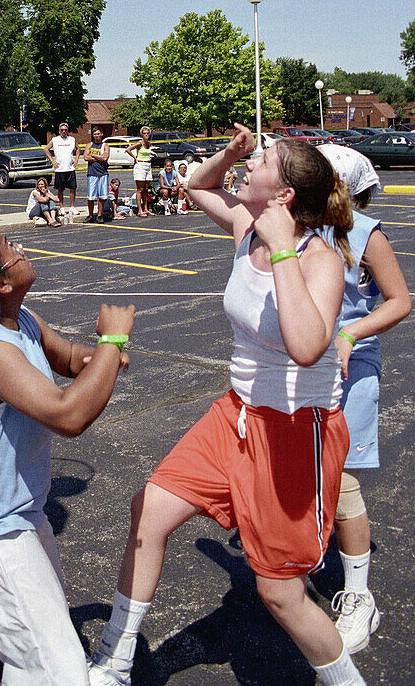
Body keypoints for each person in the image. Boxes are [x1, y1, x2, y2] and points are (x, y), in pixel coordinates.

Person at [89, 126, 369, 686]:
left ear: (283, 194)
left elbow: (308, 347)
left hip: (296, 431)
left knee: (281, 593)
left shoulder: (320, 260)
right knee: (149, 509)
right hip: (235, 414)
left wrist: (284, 246)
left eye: (260, 161)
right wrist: (231, 152)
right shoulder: (246, 229)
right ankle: (114, 660)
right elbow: (195, 184)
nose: (248, 167)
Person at [0, 227, 135, 685]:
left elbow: (73, 358)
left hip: (19, 515)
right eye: (11, 249)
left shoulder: (21, 321)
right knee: (58, 672)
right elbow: (68, 415)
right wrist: (113, 343)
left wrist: (97, 359)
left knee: (26, 616)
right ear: (1, 283)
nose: (21, 248)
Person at [317, 144, 411, 654]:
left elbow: (400, 301)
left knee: (342, 476)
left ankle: (359, 596)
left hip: (350, 366)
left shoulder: (365, 232)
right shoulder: (299, 226)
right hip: (304, 364)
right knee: (309, 469)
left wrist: (351, 335)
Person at [45, 122, 81, 212]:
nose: (64, 131)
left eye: (65, 130)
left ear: (67, 131)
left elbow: (78, 148)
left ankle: (72, 207)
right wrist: (52, 160)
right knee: (60, 189)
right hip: (60, 169)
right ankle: (61, 207)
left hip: (70, 168)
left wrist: (76, 160)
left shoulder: (72, 139)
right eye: (62, 130)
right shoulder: (55, 140)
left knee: (73, 188)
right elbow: (46, 149)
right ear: (59, 131)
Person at [84, 126, 110, 223]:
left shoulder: (105, 146)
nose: (97, 136)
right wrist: (100, 156)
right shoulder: (89, 145)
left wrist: (93, 155)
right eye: (95, 134)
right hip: (92, 173)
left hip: (103, 173)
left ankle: (99, 215)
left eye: (98, 134)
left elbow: (105, 158)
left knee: (102, 196)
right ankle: (90, 215)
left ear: (101, 134)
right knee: (91, 196)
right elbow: (86, 157)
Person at [127, 127, 154, 217]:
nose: (146, 135)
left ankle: (146, 209)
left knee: (146, 189)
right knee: (140, 189)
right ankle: (140, 210)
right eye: (144, 133)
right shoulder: (140, 143)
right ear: (142, 134)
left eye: (147, 133)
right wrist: (135, 158)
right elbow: (128, 149)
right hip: (140, 165)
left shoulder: (149, 144)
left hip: (148, 165)